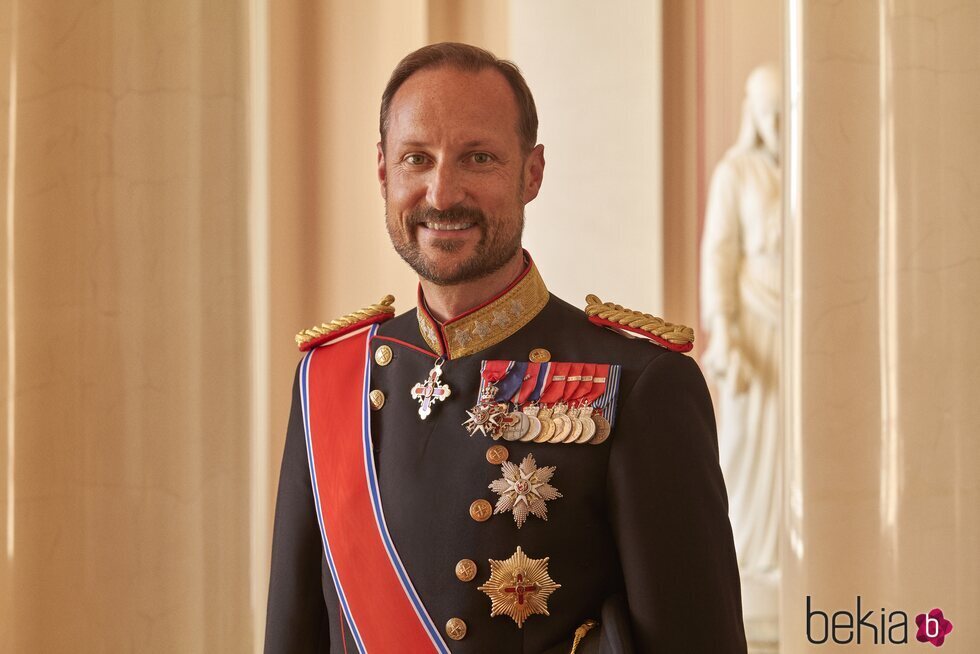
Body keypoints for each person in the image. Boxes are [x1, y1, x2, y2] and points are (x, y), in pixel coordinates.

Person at [265, 42, 746, 653]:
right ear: (384, 170)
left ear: (532, 173)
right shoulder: (329, 379)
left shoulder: (641, 382)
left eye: (479, 158)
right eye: (418, 158)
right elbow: (292, 635)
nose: (442, 194)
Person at [700, 64, 781, 645]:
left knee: (796, 448)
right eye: (770, 115)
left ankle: (791, 555)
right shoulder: (738, 172)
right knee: (750, 446)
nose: (778, 126)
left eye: (787, 115)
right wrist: (725, 331)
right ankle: (751, 561)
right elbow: (719, 256)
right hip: (755, 327)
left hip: (802, 331)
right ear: (754, 114)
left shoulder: (810, 169)